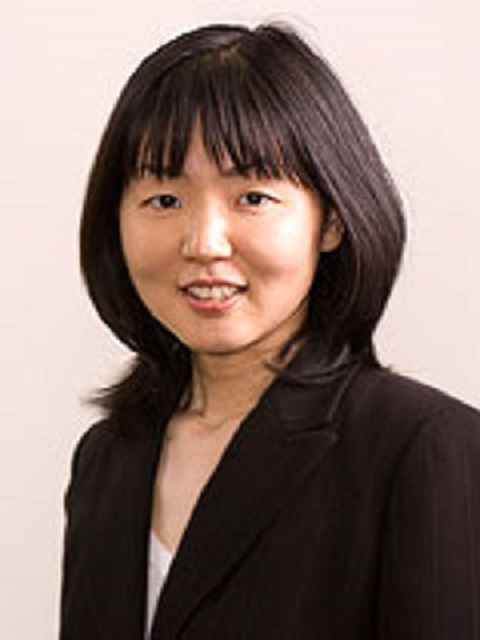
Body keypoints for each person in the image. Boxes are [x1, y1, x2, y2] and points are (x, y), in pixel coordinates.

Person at [60, 22, 480, 640]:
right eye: (164, 199)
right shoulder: (107, 457)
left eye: (252, 197)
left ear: (331, 219)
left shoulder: (427, 448)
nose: (204, 243)